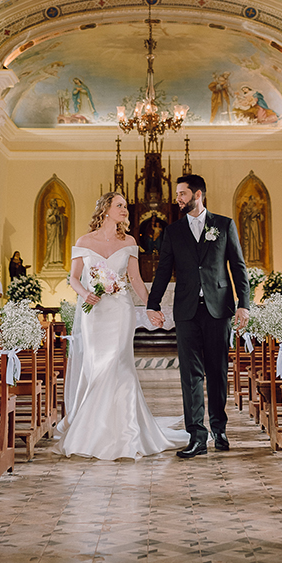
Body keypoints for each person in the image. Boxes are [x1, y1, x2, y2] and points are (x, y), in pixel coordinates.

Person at [54, 192, 187, 459]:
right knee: (97, 366)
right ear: (105, 209)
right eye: (120, 206)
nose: (125, 210)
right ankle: (95, 431)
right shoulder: (84, 241)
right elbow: (74, 279)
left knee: (119, 363)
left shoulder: (129, 241)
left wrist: (151, 306)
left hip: (121, 310)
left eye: (126, 206)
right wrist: (84, 294)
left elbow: (136, 280)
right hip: (95, 313)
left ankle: (126, 434)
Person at [147, 174, 250, 458]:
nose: (177, 198)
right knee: (189, 374)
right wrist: (152, 304)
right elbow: (163, 270)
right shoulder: (173, 231)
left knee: (217, 371)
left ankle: (219, 428)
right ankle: (196, 435)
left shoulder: (224, 225)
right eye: (178, 194)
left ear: (198, 194)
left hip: (219, 309)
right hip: (187, 311)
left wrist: (244, 304)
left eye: (182, 193)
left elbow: (238, 267)